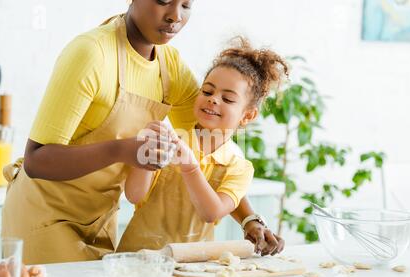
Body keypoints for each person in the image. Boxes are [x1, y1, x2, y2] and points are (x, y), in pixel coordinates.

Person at [1, 0, 283, 264]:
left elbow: (210, 150)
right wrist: (122, 150)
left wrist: (249, 219)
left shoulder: (169, 66)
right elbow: (36, 160)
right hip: (45, 215)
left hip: (100, 218)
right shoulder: (91, 53)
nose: (175, 16)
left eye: (186, 5)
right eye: (163, 0)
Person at [117, 37, 288, 252]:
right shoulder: (170, 142)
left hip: (194, 263)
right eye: (207, 91)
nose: (214, 99)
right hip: (137, 259)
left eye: (228, 99)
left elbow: (212, 212)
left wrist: (190, 167)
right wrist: (144, 155)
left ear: (248, 116)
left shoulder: (238, 168)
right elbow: (134, 195)